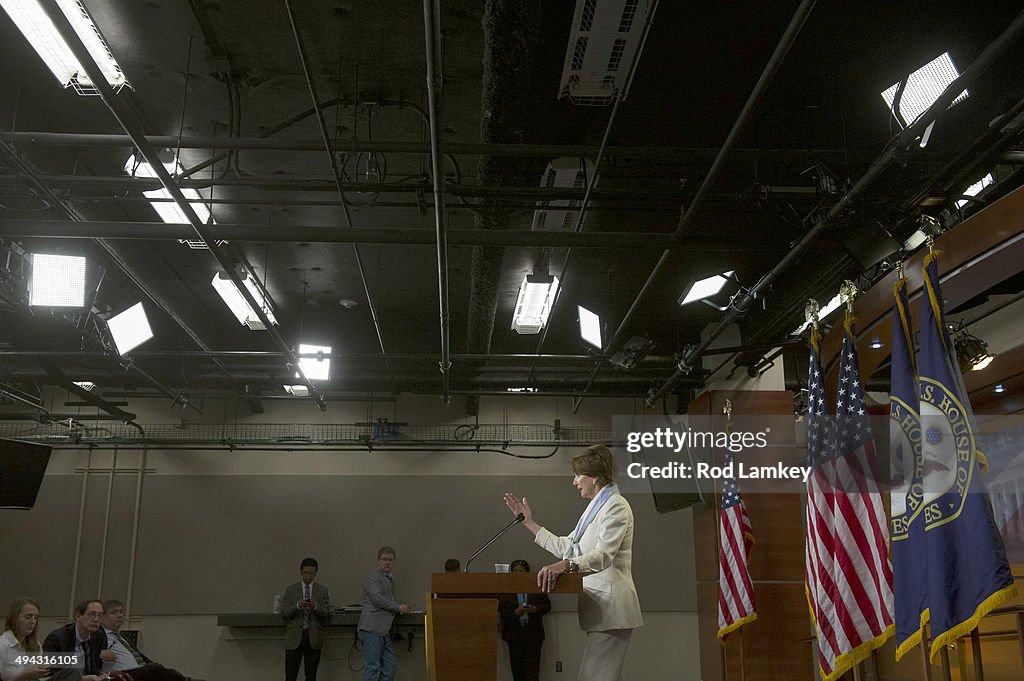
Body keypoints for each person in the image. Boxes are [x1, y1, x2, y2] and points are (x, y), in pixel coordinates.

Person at [504, 444, 643, 681]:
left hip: (612, 609)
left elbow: (603, 555)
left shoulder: (616, 506)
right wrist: (529, 523)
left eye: (578, 475)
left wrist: (565, 565)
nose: (574, 481)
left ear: (595, 478)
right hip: (603, 611)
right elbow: (568, 547)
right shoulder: (596, 508)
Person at [356, 546, 410, 681]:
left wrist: (400, 608)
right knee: (372, 668)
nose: (387, 562)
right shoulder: (373, 577)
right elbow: (377, 599)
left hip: (384, 630)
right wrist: (398, 607)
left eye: (391, 560)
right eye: (384, 559)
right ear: (378, 561)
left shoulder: (389, 579)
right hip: (372, 629)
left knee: (390, 668)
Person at [498, 560, 550, 681]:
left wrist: (535, 609)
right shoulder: (507, 589)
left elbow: (547, 606)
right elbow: (502, 609)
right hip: (514, 635)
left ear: (527, 572)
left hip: (533, 635)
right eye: (515, 571)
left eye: (520, 571)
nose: (517, 574)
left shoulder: (536, 585)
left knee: (532, 672)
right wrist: (515, 612)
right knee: (517, 671)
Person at [282, 558, 331, 681]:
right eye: (305, 573)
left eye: (311, 573)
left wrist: (316, 606)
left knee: (311, 676)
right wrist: (298, 605)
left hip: (313, 637)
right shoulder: (291, 589)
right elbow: (284, 613)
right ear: (301, 572)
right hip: (294, 637)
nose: (308, 576)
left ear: (315, 573)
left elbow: (326, 613)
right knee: (290, 675)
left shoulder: (322, 590)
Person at [42, 600, 108, 676]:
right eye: (92, 614)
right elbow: (51, 672)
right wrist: (81, 679)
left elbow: (94, 667)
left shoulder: (97, 636)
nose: (96, 619)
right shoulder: (58, 638)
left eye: (100, 616)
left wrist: (100, 675)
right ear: (78, 616)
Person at [2, 597, 49, 681]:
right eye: (28, 617)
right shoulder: (3, 645)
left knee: (70, 671)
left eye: (35, 617)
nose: (32, 621)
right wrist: (23, 676)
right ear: (14, 618)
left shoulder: (36, 645)